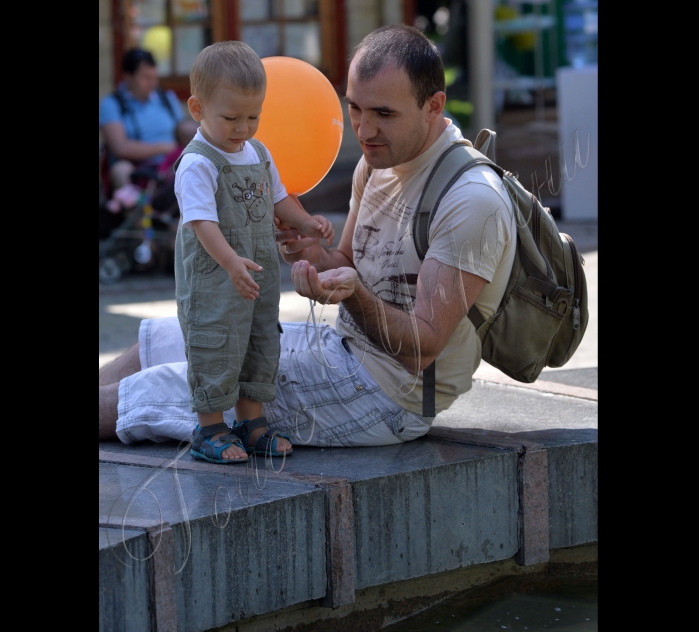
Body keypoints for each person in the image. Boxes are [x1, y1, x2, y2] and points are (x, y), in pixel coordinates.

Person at [99, 25, 517, 451]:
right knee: (167, 339)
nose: (365, 129)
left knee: (156, 388)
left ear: (434, 106)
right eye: (355, 108)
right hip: (343, 346)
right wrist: (315, 253)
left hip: (390, 396)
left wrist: (352, 294)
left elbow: (420, 350)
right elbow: (345, 264)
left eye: (384, 114)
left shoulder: (471, 200)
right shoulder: (376, 164)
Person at [172, 41, 334, 464]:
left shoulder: (259, 153)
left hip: (256, 277)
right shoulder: (198, 163)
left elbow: (280, 199)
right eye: (231, 118)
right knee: (216, 344)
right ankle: (209, 427)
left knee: (259, 342)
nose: (243, 128)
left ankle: (252, 422)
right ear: (197, 108)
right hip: (215, 279)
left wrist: (303, 222)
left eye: (253, 117)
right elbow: (202, 222)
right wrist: (229, 262)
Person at [99, 48, 186, 192]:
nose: (152, 83)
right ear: (127, 77)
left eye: (154, 77)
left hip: (170, 163)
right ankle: (135, 213)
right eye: (145, 78)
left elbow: (182, 130)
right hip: (135, 167)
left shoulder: (167, 98)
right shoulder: (111, 104)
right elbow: (120, 148)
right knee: (121, 170)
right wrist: (164, 147)